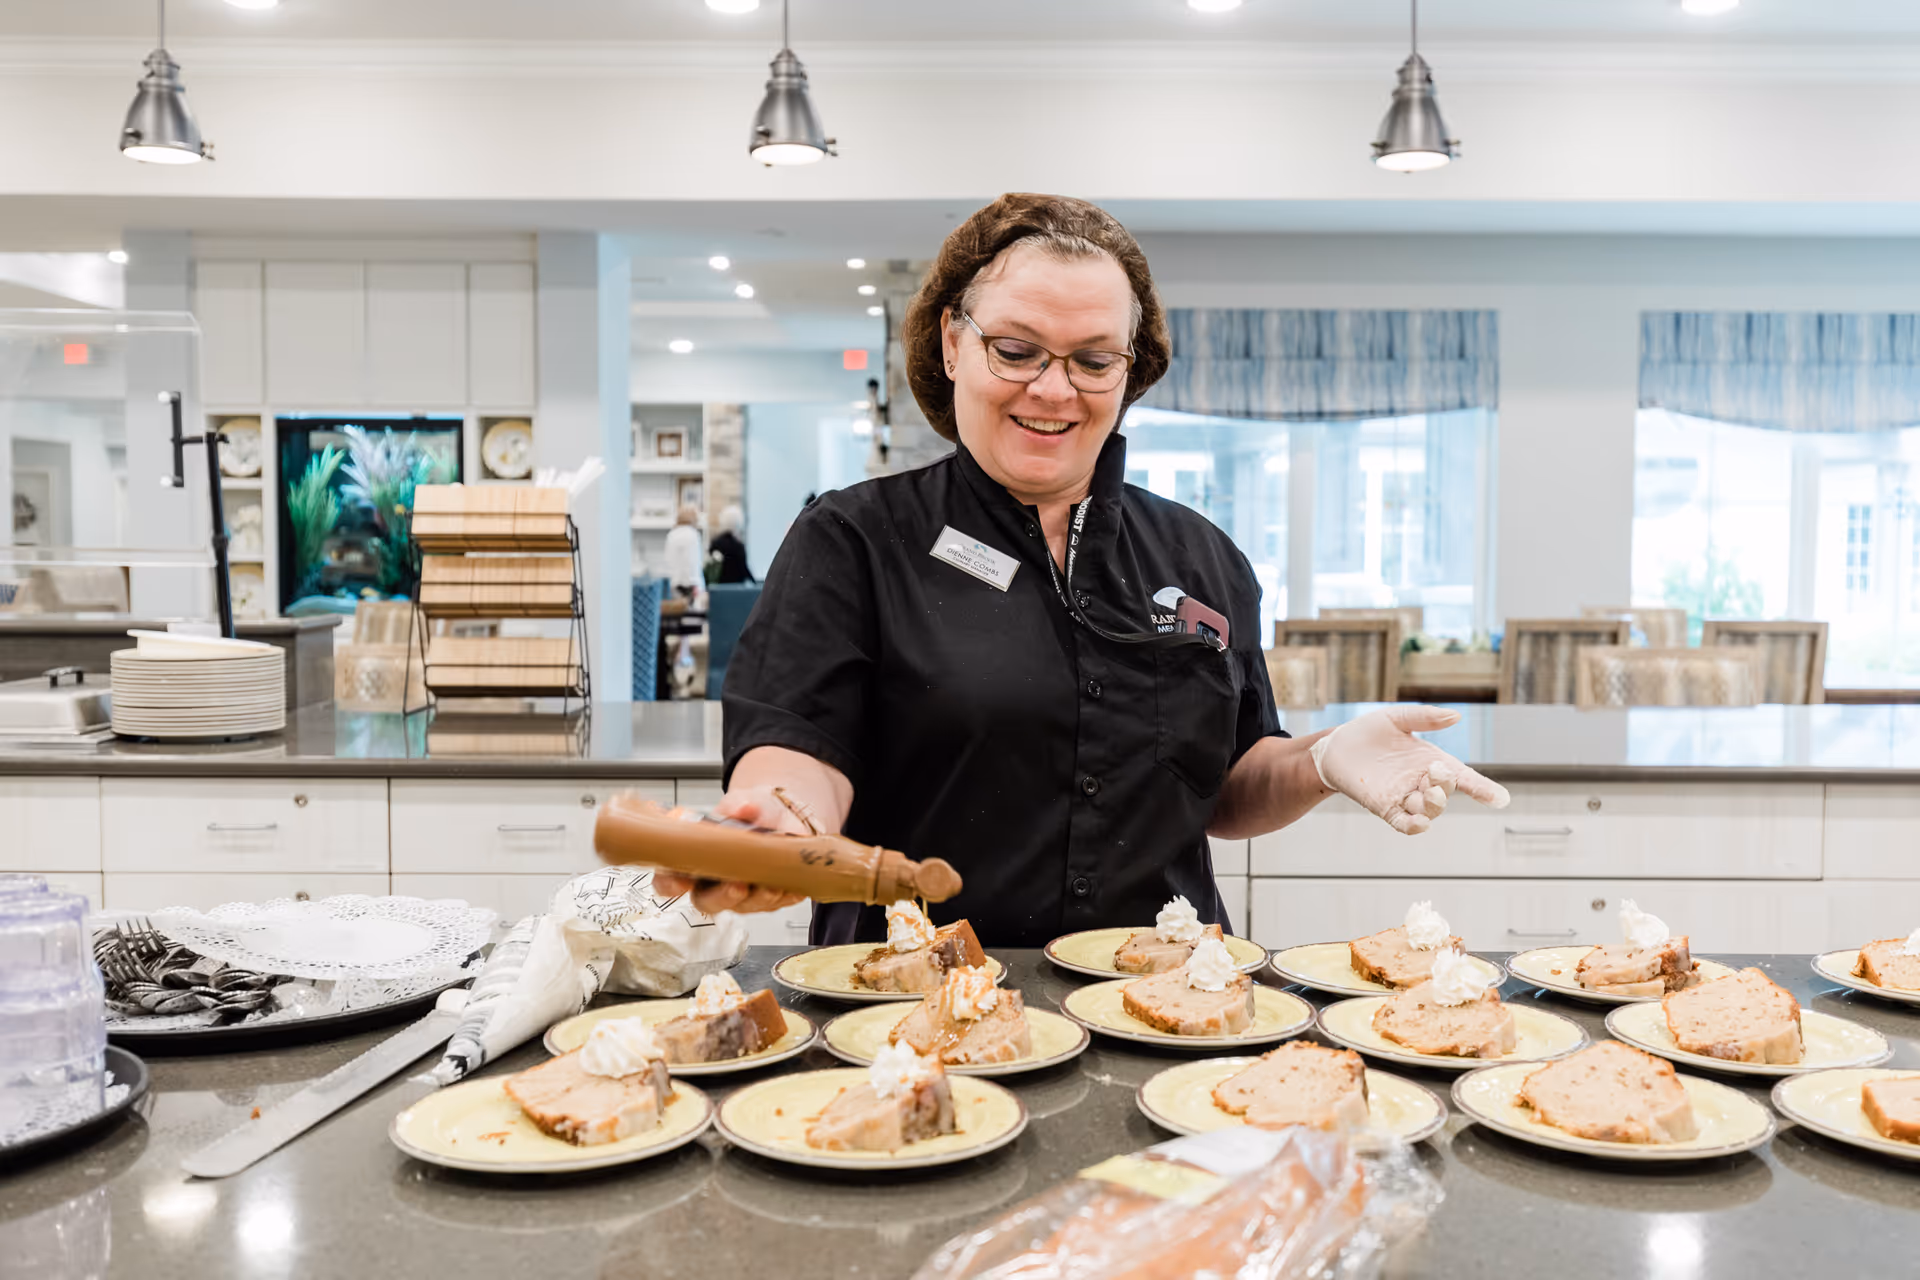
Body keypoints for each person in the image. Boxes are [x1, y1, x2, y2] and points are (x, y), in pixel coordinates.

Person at [655, 193, 1508, 947]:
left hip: (1164, 1008)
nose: (1054, 390)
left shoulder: (1203, 558)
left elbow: (1226, 789)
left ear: (1130, 370)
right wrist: (782, 822)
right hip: (910, 1011)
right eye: (1016, 350)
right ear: (955, 344)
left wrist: (1320, 760)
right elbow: (799, 750)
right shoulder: (855, 540)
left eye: (1094, 360)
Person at [661, 504, 705, 602]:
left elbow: (668, 560)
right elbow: (694, 562)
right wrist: (698, 586)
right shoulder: (693, 535)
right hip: (689, 584)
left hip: (672, 583)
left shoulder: (671, 534)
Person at [705, 505, 755, 585]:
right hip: (736, 589)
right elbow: (744, 569)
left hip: (718, 589)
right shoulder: (738, 546)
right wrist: (755, 584)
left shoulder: (715, 543)